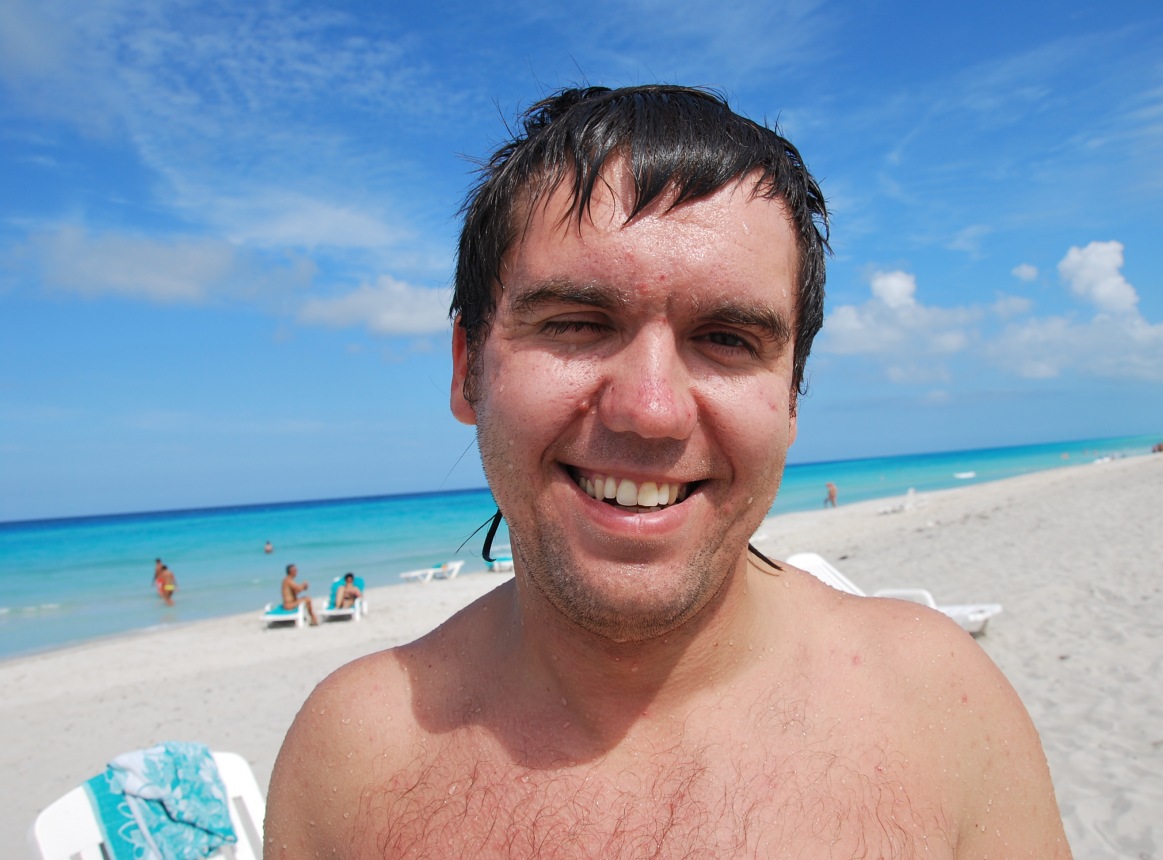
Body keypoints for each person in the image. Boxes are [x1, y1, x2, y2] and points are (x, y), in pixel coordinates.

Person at [265, 85, 1069, 857]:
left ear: (792, 397)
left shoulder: (940, 708)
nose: (650, 411)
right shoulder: (351, 759)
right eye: (577, 324)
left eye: (727, 339)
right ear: (467, 368)